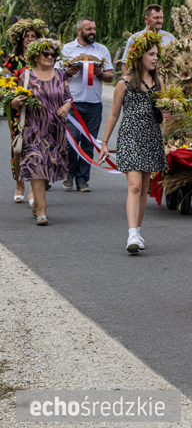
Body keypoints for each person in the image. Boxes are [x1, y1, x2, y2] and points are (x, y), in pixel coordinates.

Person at [99, 32, 168, 253]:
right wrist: (104, 142)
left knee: (145, 187)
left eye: (157, 54)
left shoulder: (159, 82)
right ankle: (131, 234)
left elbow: (165, 111)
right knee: (135, 186)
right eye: (151, 54)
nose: (155, 58)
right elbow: (113, 114)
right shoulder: (124, 82)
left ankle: (137, 231)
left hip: (151, 136)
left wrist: (171, 112)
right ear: (139, 56)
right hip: (130, 136)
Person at [10, 38, 71, 226]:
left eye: (53, 54)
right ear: (36, 56)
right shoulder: (26, 76)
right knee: (36, 165)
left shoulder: (61, 75)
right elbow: (13, 102)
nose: (50, 57)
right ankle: (42, 213)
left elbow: (68, 98)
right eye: (46, 54)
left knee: (48, 169)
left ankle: (37, 201)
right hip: (33, 129)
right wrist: (15, 103)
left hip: (55, 130)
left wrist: (67, 106)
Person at [60, 17, 115, 192]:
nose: (92, 32)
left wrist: (99, 73)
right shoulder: (67, 49)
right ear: (79, 31)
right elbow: (56, 74)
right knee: (71, 141)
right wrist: (67, 72)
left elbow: (110, 76)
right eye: (88, 29)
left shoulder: (101, 49)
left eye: (94, 28)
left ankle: (83, 179)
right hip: (73, 103)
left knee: (88, 143)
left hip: (93, 103)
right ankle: (69, 174)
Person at [4, 18, 48, 204]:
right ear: (21, 40)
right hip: (19, 110)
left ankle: (33, 188)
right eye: (27, 36)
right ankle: (19, 183)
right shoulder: (12, 61)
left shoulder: (41, 59)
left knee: (37, 149)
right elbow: (4, 84)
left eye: (33, 36)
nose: (30, 39)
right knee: (18, 148)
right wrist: (11, 99)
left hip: (39, 112)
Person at [120, 4, 175, 75]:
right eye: (156, 18)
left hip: (165, 83)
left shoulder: (170, 38)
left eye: (161, 18)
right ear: (146, 19)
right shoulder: (135, 38)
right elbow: (125, 67)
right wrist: (130, 84)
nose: (160, 21)